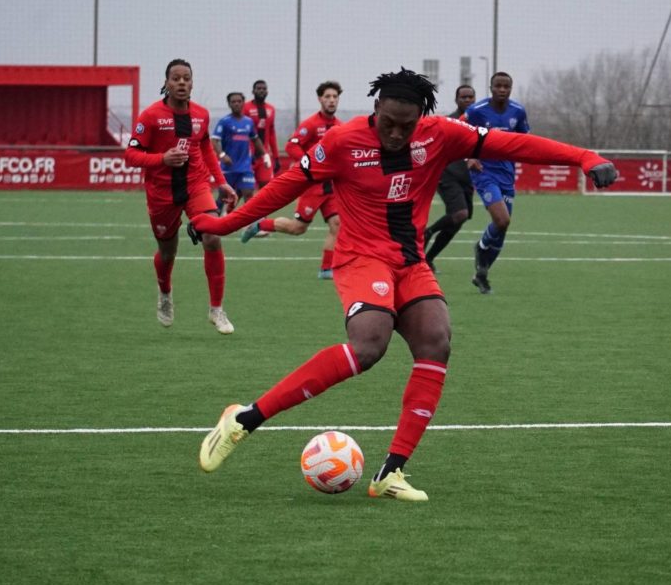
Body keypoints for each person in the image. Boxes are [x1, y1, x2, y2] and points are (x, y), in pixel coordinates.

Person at [188, 68, 617, 501]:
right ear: (376, 108)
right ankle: (243, 420)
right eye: (388, 122)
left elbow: (514, 144)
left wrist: (584, 157)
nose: (396, 133)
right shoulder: (341, 142)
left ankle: (390, 473)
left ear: (420, 119)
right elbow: (285, 186)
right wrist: (222, 225)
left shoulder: (441, 134)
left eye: (406, 126)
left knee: (436, 340)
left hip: (410, 262)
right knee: (369, 345)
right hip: (361, 258)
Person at [124, 58, 238, 335]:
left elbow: (205, 148)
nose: (182, 83)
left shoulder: (201, 115)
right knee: (168, 252)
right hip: (162, 193)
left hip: (196, 185)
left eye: (186, 78)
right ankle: (165, 293)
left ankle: (216, 309)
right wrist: (161, 159)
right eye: (176, 78)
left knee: (213, 236)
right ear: (166, 83)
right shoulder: (151, 116)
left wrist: (221, 182)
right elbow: (131, 155)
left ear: (192, 83)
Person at [239, 81, 344, 280]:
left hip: (330, 186)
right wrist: (309, 163)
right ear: (320, 99)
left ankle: (325, 269)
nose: (331, 100)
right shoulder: (310, 124)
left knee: (337, 224)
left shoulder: (340, 126)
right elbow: (291, 146)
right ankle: (260, 225)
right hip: (312, 186)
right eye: (327, 97)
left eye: (335, 97)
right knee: (298, 228)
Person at [463, 71, 529, 294]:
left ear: (510, 88)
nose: (502, 90)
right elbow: (459, 133)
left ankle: (482, 274)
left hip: (507, 173)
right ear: (491, 88)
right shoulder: (477, 111)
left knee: (502, 228)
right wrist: (469, 157)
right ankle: (481, 247)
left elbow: (525, 140)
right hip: (484, 172)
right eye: (498, 86)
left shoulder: (518, 111)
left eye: (506, 86)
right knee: (502, 220)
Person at [422, 84, 477, 271]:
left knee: (460, 219)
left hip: (467, 178)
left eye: (470, 97)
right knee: (460, 213)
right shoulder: (449, 122)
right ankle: (428, 232)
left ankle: (429, 258)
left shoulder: (479, 122)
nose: (467, 100)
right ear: (456, 100)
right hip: (448, 174)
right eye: (463, 97)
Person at [212, 91, 268, 208]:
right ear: (229, 104)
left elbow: (255, 139)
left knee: (249, 194)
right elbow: (214, 140)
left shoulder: (249, 121)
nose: (236, 104)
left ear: (243, 103)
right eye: (233, 102)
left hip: (245, 167)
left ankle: (250, 219)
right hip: (228, 167)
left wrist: (265, 155)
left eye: (239, 101)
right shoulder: (224, 121)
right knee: (223, 196)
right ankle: (214, 217)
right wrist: (222, 155)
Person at [243, 80, 281, 188]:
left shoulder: (271, 109)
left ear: (267, 92)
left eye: (264, 89)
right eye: (258, 88)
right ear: (253, 91)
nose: (261, 91)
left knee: (266, 187)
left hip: (264, 156)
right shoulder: (245, 108)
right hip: (248, 156)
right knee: (244, 189)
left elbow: (272, 133)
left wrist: (276, 157)